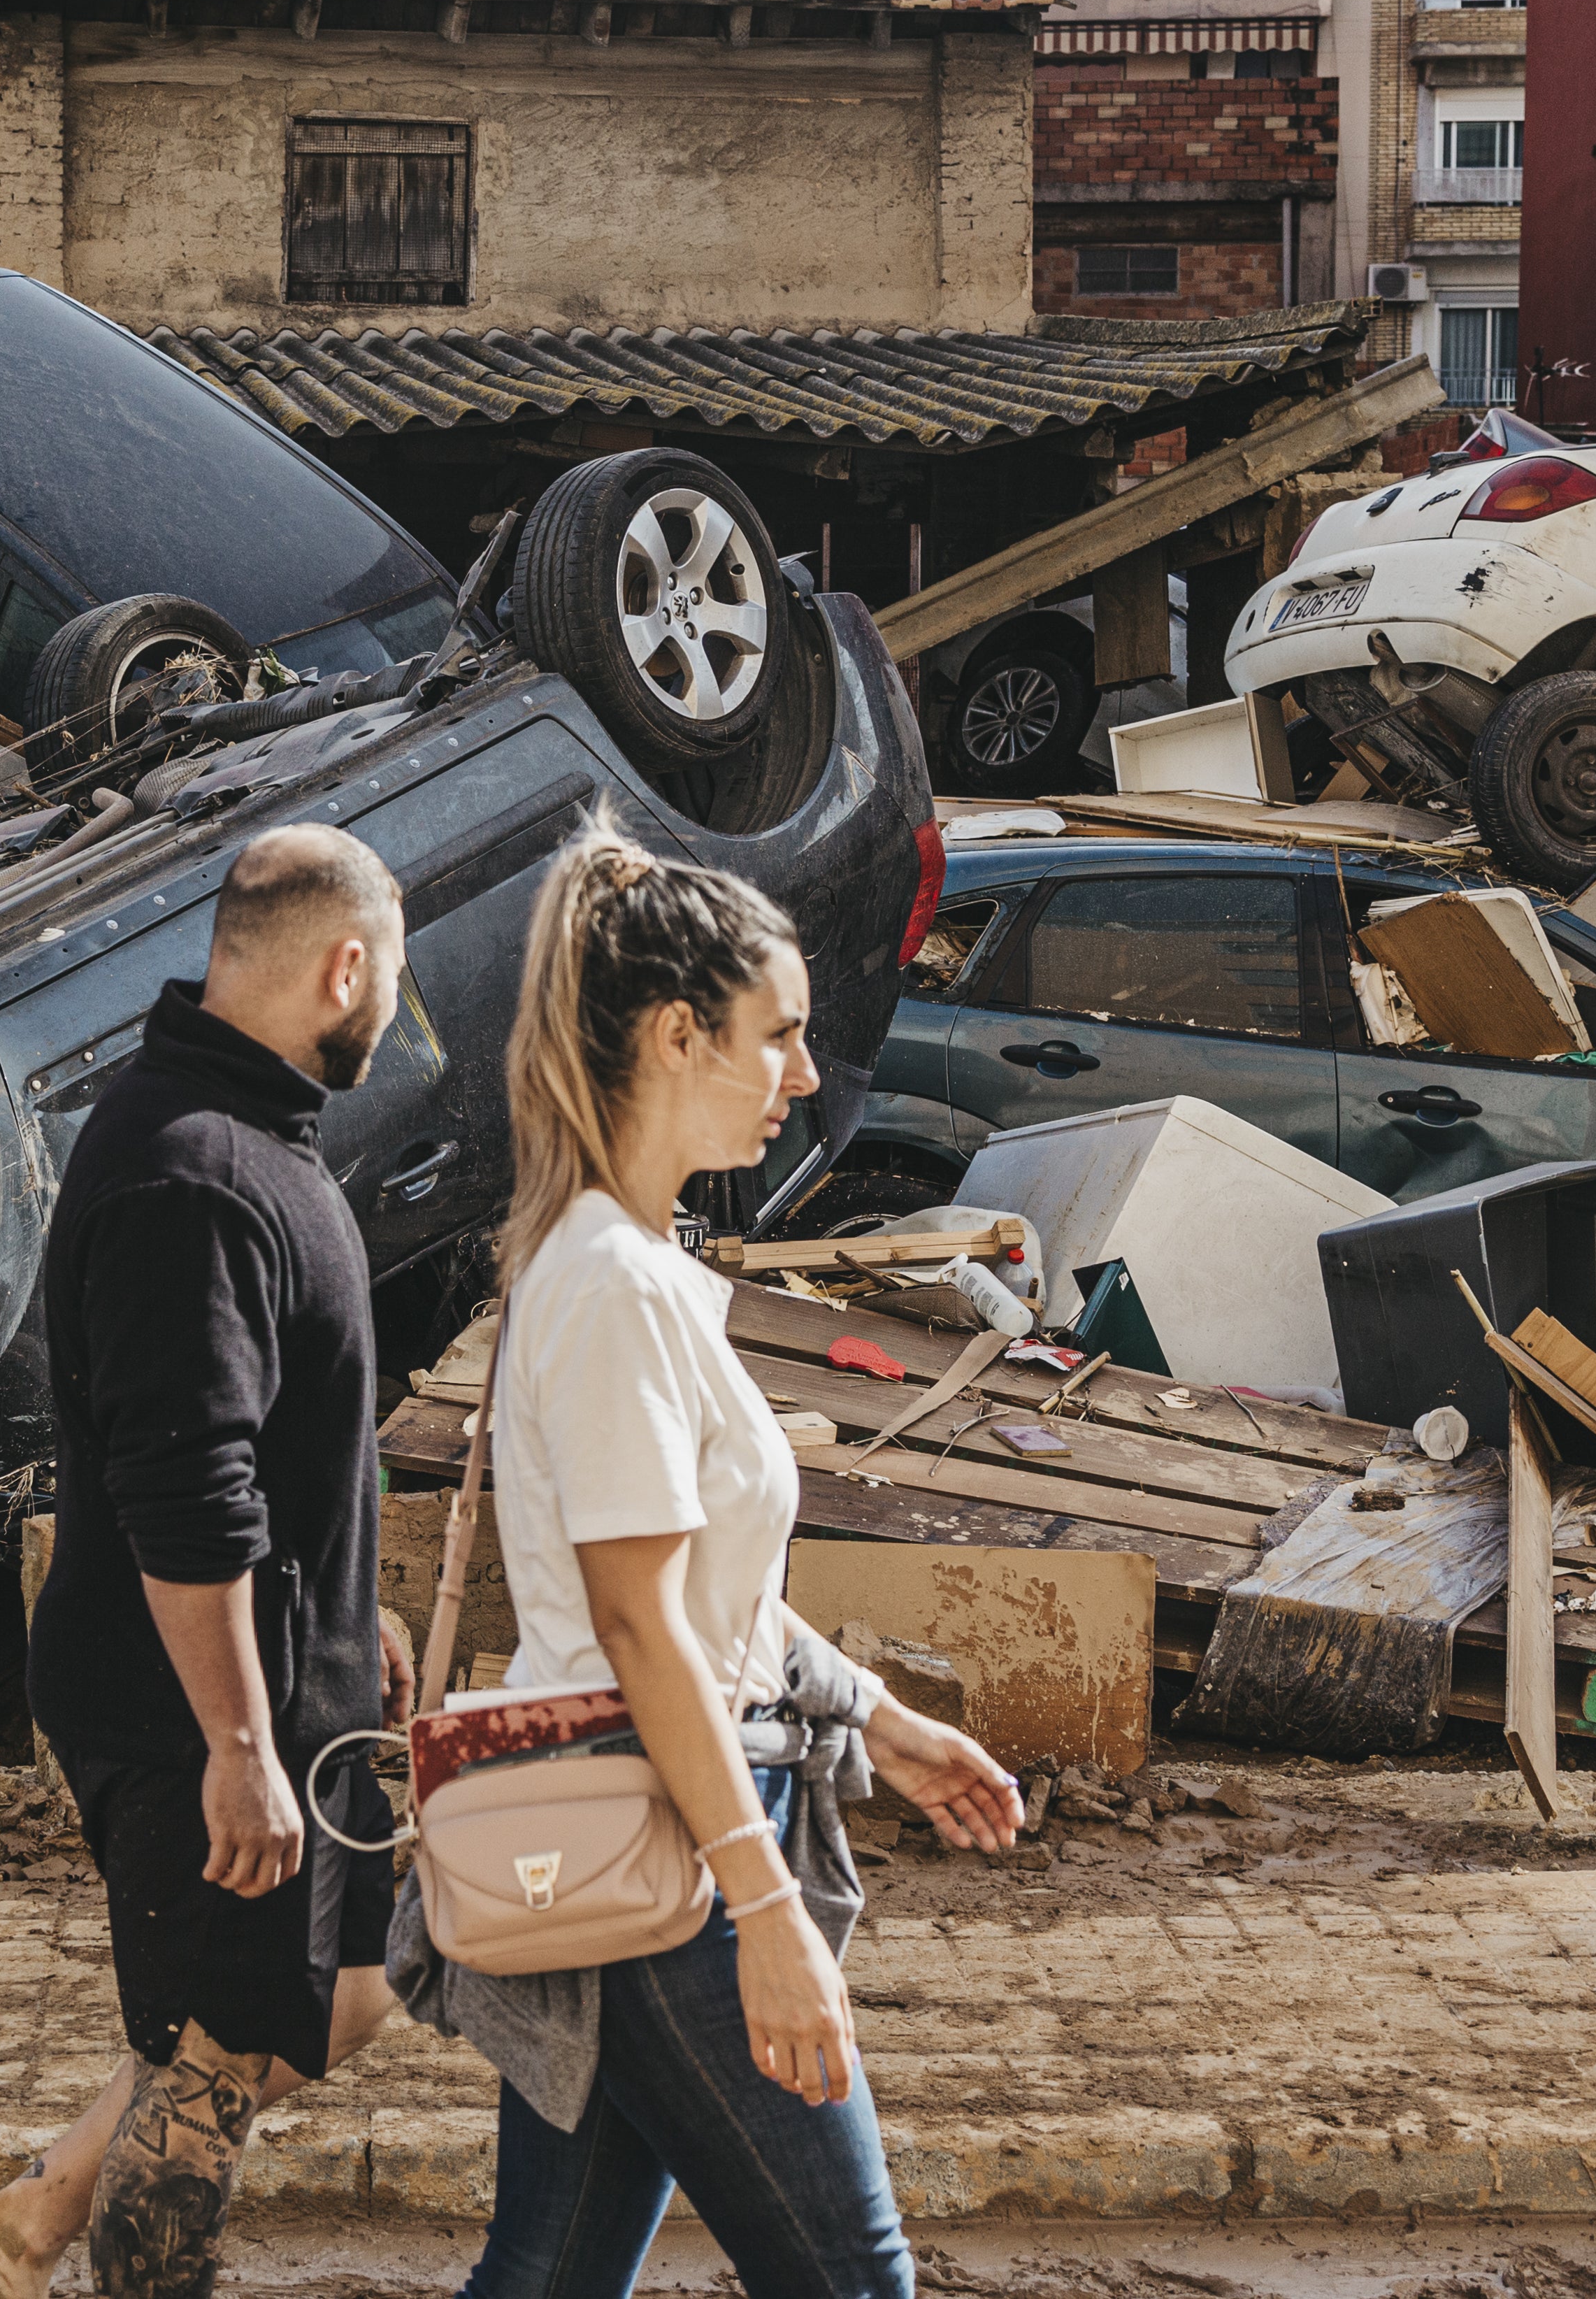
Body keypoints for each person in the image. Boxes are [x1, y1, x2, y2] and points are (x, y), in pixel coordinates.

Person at [391, 817, 1026, 2299]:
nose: (801, 1074)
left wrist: (881, 1717)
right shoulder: (614, 1283)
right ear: (679, 1035)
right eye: (777, 1034)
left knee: (547, 2272)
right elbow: (637, 1623)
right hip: (670, 1848)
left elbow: (701, 1595)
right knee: (851, 2278)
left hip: (650, 1817)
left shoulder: (626, 1264)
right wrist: (763, 1913)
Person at [0, 822, 416, 2299]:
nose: (395, 1011)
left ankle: (10, 2233)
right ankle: (48, 2247)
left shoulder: (246, 1138)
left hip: (269, 1689)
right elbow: (185, 1485)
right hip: (191, 1708)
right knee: (207, 2064)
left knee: (351, 1988)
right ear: (344, 963)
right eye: (396, 978)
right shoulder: (191, 1170)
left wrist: (338, 1601)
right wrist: (238, 1740)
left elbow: (266, 1429)